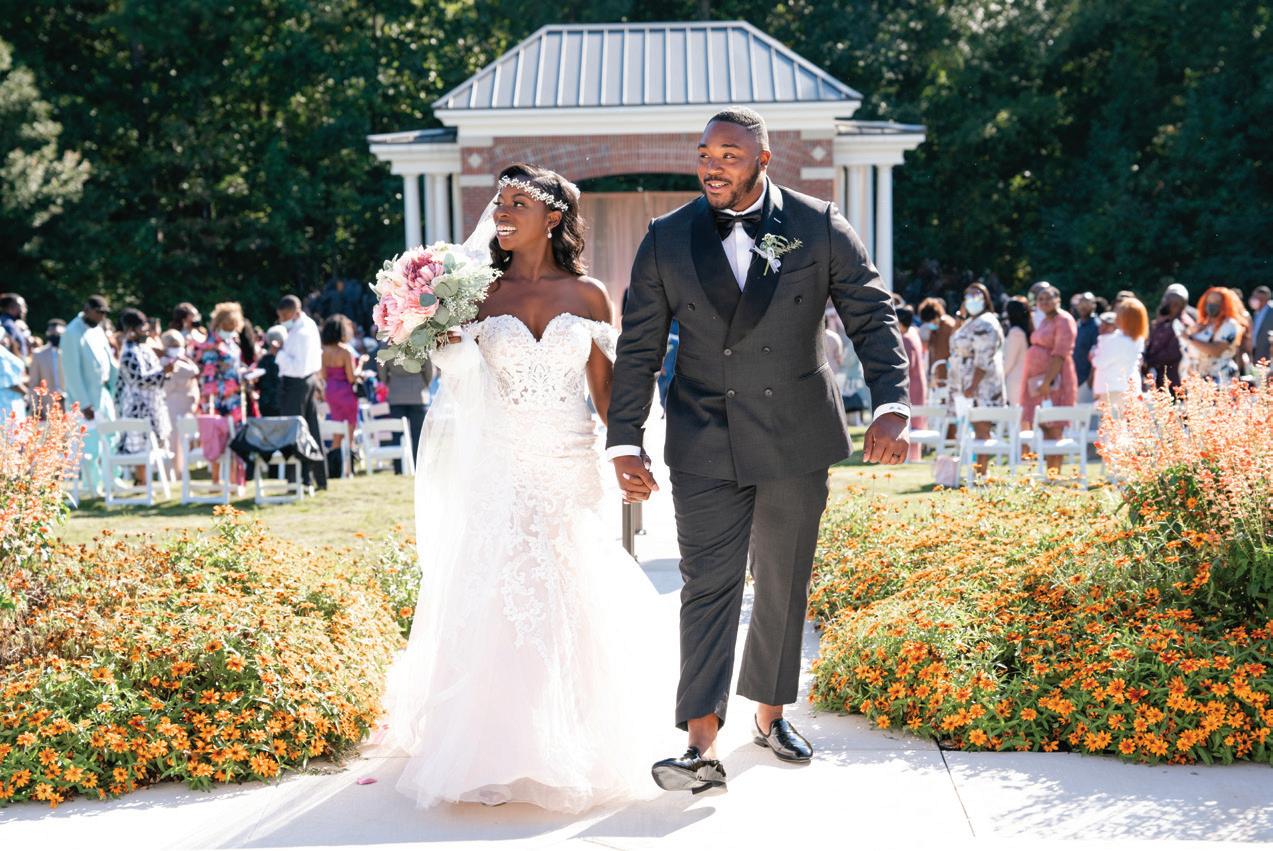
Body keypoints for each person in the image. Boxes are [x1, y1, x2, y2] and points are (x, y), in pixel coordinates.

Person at [608, 108, 911, 794]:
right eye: (704, 153)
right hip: (702, 434)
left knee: (782, 577)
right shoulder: (666, 237)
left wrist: (891, 404)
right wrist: (626, 439)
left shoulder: (817, 224)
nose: (712, 166)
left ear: (763, 159)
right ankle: (699, 741)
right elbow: (638, 345)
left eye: (729, 154)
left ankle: (770, 715)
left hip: (795, 431)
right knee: (706, 583)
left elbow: (870, 314)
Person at [382, 162, 676, 813]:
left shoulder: (589, 295)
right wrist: (442, 343)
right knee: (501, 589)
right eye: (500, 203)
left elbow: (607, 391)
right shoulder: (476, 295)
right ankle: (491, 748)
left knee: (570, 585)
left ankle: (574, 739)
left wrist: (628, 453)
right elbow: (459, 383)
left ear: (553, 216)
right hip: (502, 462)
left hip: (569, 463)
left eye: (518, 202)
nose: (502, 213)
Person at [60, 295, 117, 495]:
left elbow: (108, 361)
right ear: (87, 309)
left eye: (104, 313)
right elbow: (71, 372)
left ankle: (113, 479)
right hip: (86, 398)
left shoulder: (98, 329)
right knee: (90, 443)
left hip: (104, 392)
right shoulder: (71, 332)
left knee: (112, 436)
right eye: (98, 312)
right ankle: (93, 484)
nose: (102, 316)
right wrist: (83, 403)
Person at [947, 281, 1006, 477]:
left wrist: (972, 385)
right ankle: (974, 471)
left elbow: (983, 357)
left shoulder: (987, 322)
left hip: (981, 385)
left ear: (985, 299)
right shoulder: (970, 322)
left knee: (982, 429)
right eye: (968, 295)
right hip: (964, 383)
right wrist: (960, 317)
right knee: (969, 428)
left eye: (976, 295)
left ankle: (981, 473)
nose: (971, 299)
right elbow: (953, 342)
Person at [1021, 283, 1078, 474]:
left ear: (1058, 300)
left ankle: (1055, 473)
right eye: (1040, 299)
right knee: (1043, 425)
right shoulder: (1045, 320)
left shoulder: (1064, 320)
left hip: (1056, 380)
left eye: (1048, 298)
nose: (1044, 302)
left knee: (1055, 425)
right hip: (1038, 381)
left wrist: (1047, 381)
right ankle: (1048, 472)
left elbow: (1060, 353)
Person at [275, 295, 327, 490]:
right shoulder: (307, 325)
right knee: (311, 429)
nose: (282, 320)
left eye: (284, 316)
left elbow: (298, 367)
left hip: (297, 383)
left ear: (295, 312)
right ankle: (316, 477)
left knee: (295, 431)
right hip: (307, 381)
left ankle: (299, 478)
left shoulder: (303, 332)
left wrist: (279, 354)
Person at [114, 309, 174, 473]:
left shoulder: (144, 348)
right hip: (137, 408)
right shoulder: (129, 352)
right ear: (131, 330)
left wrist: (165, 373)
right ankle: (141, 481)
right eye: (143, 328)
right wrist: (163, 372)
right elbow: (140, 380)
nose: (147, 332)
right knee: (139, 448)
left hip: (151, 405)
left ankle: (143, 481)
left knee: (151, 447)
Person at [1091, 297, 1148, 414]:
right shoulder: (1138, 340)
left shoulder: (1114, 341)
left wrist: (1093, 355)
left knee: (1111, 424)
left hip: (1112, 391)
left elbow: (1099, 362)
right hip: (1131, 388)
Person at [319, 313, 359, 477]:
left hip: (331, 391)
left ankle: (333, 467)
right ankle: (348, 468)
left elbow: (323, 375)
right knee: (349, 429)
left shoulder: (323, 351)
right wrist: (361, 365)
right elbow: (351, 377)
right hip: (346, 391)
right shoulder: (345, 351)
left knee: (337, 428)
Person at [196, 302, 249, 422]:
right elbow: (208, 372)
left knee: (235, 429)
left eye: (233, 325)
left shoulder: (231, 341)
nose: (231, 328)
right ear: (220, 323)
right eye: (228, 325)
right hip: (220, 396)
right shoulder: (211, 343)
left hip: (234, 393)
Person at [1183, 286, 1244, 386]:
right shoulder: (1203, 325)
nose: (1211, 305)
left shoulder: (1230, 325)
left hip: (1222, 380)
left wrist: (1190, 338)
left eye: (1217, 302)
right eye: (1209, 302)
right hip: (1201, 379)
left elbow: (1216, 350)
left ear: (1225, 304)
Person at [160, 329, 200, 477]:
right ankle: (173, 472)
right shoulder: (165, 362)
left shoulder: (182, 361)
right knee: (172, 440)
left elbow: (194, 371)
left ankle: (180, 471)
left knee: (182, 440)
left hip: (184, 404)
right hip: (172, 404)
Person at [381, 358, 430, 473]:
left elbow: (382, 370)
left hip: (396, 392)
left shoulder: (387, 347)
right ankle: (418, 467)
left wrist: (390, 384)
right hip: (417, 393)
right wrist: (423, 384)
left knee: (397, 434)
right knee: (418, 435)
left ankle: (398, 468)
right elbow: (429, 369)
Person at [1143, 283, 1190, 390]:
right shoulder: (1162, 321)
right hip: (1158, 379)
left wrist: (1149, 360)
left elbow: (1173, 352)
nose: (1171, 305)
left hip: (1174, 381)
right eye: (1169, 300)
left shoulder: (1183, 324)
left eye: (1176, 302)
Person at [896, 306, 927, 461]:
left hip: (911, 385)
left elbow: (907, 366)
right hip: (917, 382)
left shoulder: (905, 339)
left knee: (913, 423)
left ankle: (910, 457)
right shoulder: (913, 333)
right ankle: (913, 456)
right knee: (916, 422)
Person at [918, 297, 957, 409]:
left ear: (937, 316)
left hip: (949, 376)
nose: (930, 324)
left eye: (931, 321)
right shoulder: (936, 328)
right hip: (938, 376)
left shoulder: (949, 326)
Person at [28, 318, 66, 411]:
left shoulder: (70, 353)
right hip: (47, 405)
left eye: (58, 334)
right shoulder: (38, 354)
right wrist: (35, 407)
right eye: (53, 334)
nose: (55, 336)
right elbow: (33, 383)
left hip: (68, 404)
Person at [1002, 297, 1033, 407]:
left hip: (1015, 381)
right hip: (1023, 378)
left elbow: (1009, 361)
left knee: (1016, 413)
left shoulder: (1015, 333)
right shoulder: (1026, 329)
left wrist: (999, 375)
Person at [1072, 292, 1098, 403]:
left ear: (1094, 305)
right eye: (1081, 303)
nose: (1083, 306)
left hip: (1088, 381)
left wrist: (1090, 381)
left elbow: (1098, 354)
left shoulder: (1097, 326)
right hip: (1076, 378)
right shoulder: (1077, 324)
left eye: (1087, 303)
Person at [255, 325, 287, 417]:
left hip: (265, 403)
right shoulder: (285, 360)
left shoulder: (262, 360)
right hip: (281, 403)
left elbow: (258, 382)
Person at [0, 325, 29, 418]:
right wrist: (28, 393)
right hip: (7, 402)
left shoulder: (4, 352)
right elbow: (11, 383)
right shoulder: (1, 354)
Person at [1246, 285, 1271, 368]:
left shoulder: (1271, 311)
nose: (1253, 299)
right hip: (1257, 353)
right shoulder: (1256, 312)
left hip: (1268, 355)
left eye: (1256, 297)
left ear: (1264, 298)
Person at [0, 293, 31, 358]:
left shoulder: (12, 323)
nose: (25, 310)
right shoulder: (8, 324)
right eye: (21, 306)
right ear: (10, 307)